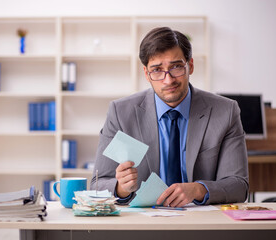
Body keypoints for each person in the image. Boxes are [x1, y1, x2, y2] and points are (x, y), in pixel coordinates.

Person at [90, 27, 249, 207]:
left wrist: (198, 189)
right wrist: (121, 189)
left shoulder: (225, 111)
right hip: (143, 224)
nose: (168, 80)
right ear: (146, 74)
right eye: (157, 70)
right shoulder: (121, 112)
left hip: (201, 224)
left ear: (191, 65)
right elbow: (97, 184)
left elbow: (239, 185)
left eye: (176, 67)